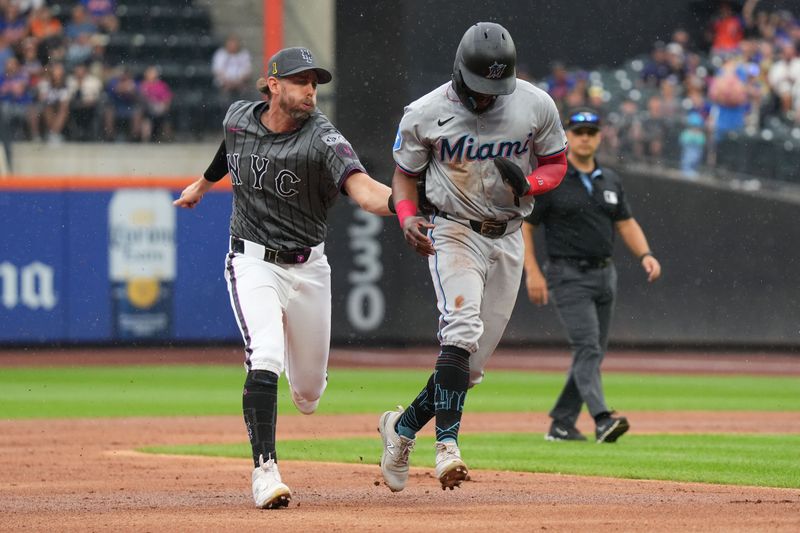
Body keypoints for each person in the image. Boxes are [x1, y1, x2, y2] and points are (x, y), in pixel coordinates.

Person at [173, 46, 393, 509]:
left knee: (309, 394)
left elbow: (367, 193)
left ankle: (287, 373)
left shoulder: (322, 138)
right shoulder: (238, 116)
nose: (310, 90)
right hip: (252, 259)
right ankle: (265, 471)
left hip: (309, 266)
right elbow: (229, 149)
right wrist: (202, 184)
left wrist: (410, 205)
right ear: (273, 84)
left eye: (314, 83)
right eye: (300, 81)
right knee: (265, 354)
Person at [379, 22, 568, 492]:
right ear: (460, 72)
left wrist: (532, 185)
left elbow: (555, 162)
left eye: (495, 88)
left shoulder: (534, 103)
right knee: (460, 332)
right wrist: (405, 216)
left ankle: (401, 429)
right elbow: (405, 175)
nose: (487, 98)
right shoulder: (424, 112)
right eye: (480, 87)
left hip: (508, 235)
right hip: (453, 229)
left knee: (472, 366)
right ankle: (447, 447)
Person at [521, 108, 661, 444]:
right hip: (567, 274)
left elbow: (625, 222)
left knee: (593, 350)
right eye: (579, 131)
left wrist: (646, 254)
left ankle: (561, 423)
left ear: (599, 137)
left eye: (591, 132)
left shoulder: (609, 179)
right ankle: (601, 419)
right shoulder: (551, 178)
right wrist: (532, 271)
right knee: (587, 347)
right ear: (567, 135)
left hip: (604, 273)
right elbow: (527, 225)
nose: (585, 137)